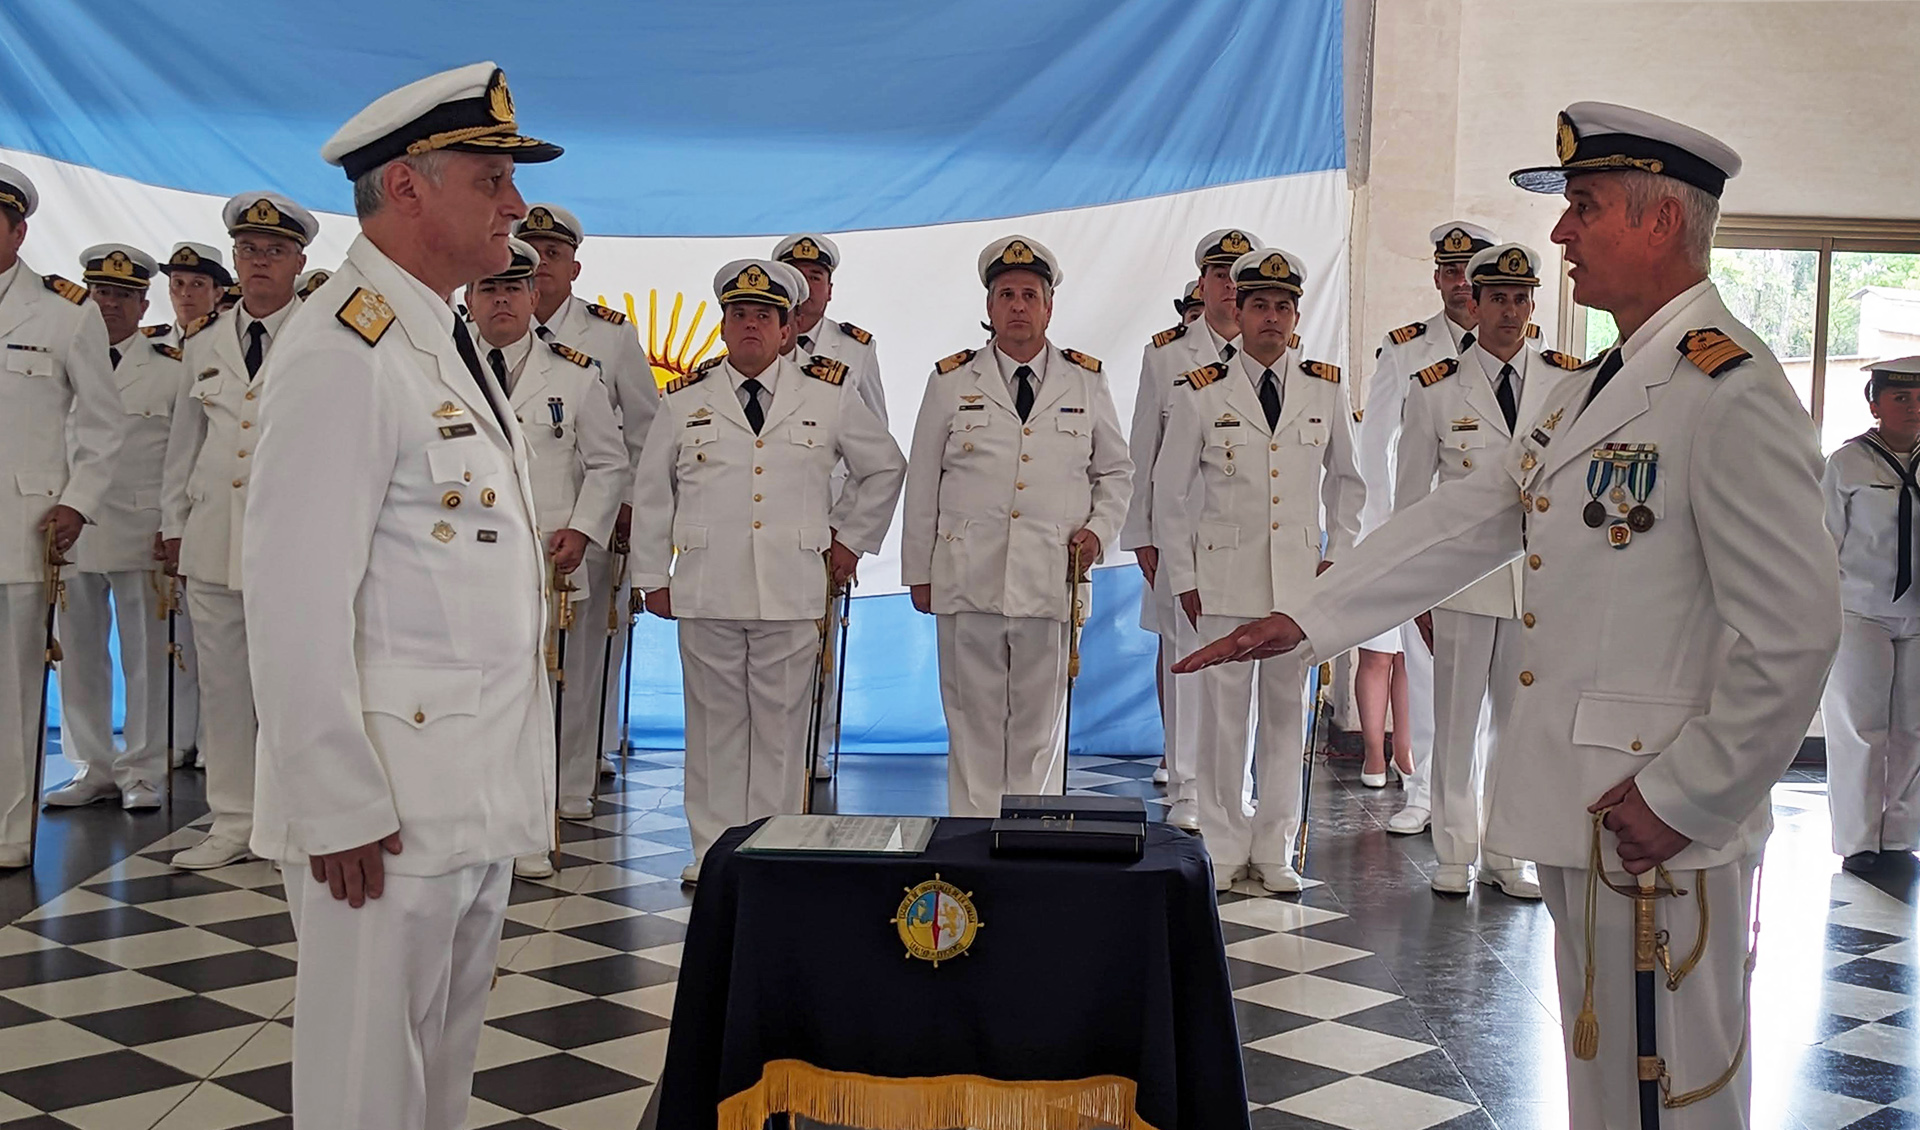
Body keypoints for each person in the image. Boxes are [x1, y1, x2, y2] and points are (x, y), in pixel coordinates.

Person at [1178, 102, 1840, 1129]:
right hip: (1595, 806)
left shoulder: (1730, 389)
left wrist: (1688, 795)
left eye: (1582, 207)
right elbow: (1466, 520)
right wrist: (1303, 618)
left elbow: (1795, 631)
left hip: (1662, 819)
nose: (1561, 235)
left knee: (1676, 1094)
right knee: (1608, 1086)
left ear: (1661, 222)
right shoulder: (1595, 388)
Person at [246, 61, 563, 1129]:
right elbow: (291, 592)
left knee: (434, 1073)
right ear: (410, 187)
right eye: (491, 178)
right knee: (365, 1086)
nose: (513, 204)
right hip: (379, 813)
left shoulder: (443, 332)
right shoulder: (344, 348)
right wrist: (332, 797)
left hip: (462, 786)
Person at [630, 259, 904, 881]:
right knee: (713, 730)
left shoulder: (827, 395)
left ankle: (773, 848)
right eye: (739, 314)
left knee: (782, 732)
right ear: (723, 326)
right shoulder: (683, 401)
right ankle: (713, 855)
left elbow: (885, 466)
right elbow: (652, 492)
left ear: (786, 331)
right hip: (707, 586)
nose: (750, 324)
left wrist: (851, 541)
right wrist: (652, 576)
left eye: (764, 316)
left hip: (793, 585)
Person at [901, 235, 1131, 817]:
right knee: (971, 719)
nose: (1019, 306)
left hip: (1052, 575)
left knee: (1039, 724)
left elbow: (1117, 470)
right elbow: (922, 480)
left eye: (1031, 294)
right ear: (989, 306)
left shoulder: (1086, 381)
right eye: (1007, 294)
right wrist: (917, 573)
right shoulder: (951, 381)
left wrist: (1099, 531)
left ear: (1049, 307)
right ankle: (974, 839)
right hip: (966, 577)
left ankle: (1031, 837)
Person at [1155, 246, 1361, 892]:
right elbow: (1169, 489)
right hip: (1222, 579)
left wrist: (1338, 559)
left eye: (1283, 306)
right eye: (1260, 306)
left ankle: (1274, 845)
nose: (1272, 318)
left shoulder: (1325, 387)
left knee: (1284, 716)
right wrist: (1183, 579)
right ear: (1236, 312)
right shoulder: (1201, 392)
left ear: (1296, 316)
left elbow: (1349, 484)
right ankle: (1221, 839)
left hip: (1299, 586)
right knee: (1221, 718)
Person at [1396, 241, 1581, 899]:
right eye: (1497, 297)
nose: (1510, 310)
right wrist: (1412, 587)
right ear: (1473, 304)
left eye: (1521, 298)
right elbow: (1411, 503)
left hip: (1537, 583)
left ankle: (1508, 850)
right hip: (1460, 581)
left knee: (1519, 722)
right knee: (1455, 718)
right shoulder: (1437, 390)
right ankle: (1454, 849)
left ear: (1534, 304)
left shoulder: (1567, 382)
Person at [160, 190, 317, 870]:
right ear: (235, 259)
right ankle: (232, 819)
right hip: (213, 538)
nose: (260, 262)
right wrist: (172, 526)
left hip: (293, 544)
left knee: (294, 686)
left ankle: (294, 817)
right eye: (249, 251)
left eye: (274, 251)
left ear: (298, 260)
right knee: (223, 687)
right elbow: (182, 442)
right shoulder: (204, 342)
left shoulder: (325, 336)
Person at [466, 238, 627, 879]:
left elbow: (609, 464)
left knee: (542, 697)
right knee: (474, 698)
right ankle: (476, 819)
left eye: (513, 288)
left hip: (547, 563)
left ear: (535, 297)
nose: (501, 299)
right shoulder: (441, 368)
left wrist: (584, 532)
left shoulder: (576, 374)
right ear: (469, 299)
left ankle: (533, 825)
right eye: (488, 288)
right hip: (466, 567)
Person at [0, 164, 122, 868]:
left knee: (14, 689)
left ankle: (11, 831)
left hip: (23, 525)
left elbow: (103, 425)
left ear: (18, 232)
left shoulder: (62, 311)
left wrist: (79, 500)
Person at [1354, 220, 1495, 826]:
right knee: (1428, 665)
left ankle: (1480, 801)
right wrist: (1390, 537)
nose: (1459, 283)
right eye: (1448, 271)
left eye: (1469, 272)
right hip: (1426, 534)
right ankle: (1424, 795)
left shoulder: (1523, 348)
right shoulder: (1405, 349)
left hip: (1496, 541)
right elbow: (1375, 447)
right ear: (1437, 278)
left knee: (1493, 680)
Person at [1120, 228, 1259, 831]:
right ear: (1201, 284)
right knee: (1183, 657)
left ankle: (1238, 785)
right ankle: (1185, 783)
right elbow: (1142, 445)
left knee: (1247, 661)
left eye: (1237, 277)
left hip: (1250, 539)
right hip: (1181, 534)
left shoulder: (1277, 351)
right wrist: (1143, 532)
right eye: (1218, 275)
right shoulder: (1167, 354)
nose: (1228, 287)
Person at [44, 245, 187, 812]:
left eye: (124, 295)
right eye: (102, 292)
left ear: (143, 301)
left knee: (147, 658)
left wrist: (175, 523)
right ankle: (92, 766)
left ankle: (145, 770)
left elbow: (180, 456)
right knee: (77, 654)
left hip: (140, 526)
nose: (110, 304)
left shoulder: (168, 368)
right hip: (71, 528)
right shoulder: (58, 352)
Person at [515, 202, 655, 774]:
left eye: (554, 254)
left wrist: (625, 506)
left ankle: (577, 762)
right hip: (502, 525)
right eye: (533, 253)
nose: (542, 265)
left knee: (585, 650)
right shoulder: (476, 330)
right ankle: (521, 766)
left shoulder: (609, 334)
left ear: (575, 267)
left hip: (583, 522)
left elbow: (645, 426)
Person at [773, 232, 887, 780]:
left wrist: (853, 534)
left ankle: (816, 742)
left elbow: (876, 443)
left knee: (822, 638)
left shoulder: (855, 347)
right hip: (776, 512)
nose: (807, 286)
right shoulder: (756, 341)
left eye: (816, 277)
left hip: (833, 513)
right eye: (796, 276)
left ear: (829, 287)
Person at [1821, 355, 1920, 875]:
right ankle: (1859, 839)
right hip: (1859, 611)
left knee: (1913, 728)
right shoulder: (1849, 464)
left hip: (1919, 614)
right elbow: (1823, 541)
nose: (1913, 408)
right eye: (1900, 398)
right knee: (1860, 727)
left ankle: (1900, 834)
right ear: (1875, 403)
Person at [152, 242, 226, 770]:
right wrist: (173, 522)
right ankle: (183, 741)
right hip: (204, 520)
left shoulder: (307, 336)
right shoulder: (191, 347)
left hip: (267, 528)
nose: (184, 294)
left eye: (196, 284)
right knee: (192, 649)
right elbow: (182, 446)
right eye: (177, 284)